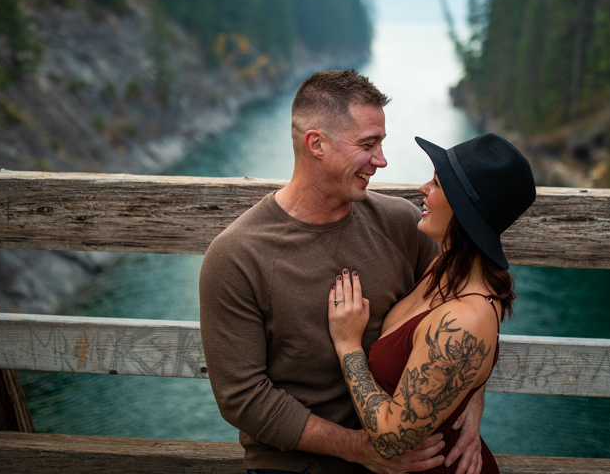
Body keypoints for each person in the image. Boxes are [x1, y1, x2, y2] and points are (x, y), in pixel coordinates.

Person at [199, 70, 486, 474]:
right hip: (294, 465)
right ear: (316, 143)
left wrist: (470, 406)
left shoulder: (403, 224)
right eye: (368, 145)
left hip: (409, 455)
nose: (382, 160)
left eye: (381, 143)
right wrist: (360, 449)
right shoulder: (236, 256)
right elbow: (242, 397)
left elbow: (471, 310)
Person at [328, 133, 537, 474]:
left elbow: (390, 441)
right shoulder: (446, 266)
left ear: (464, 209)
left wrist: (348, 345)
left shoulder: (466, 318)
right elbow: (463, 360)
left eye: (438, 184)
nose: (423, 188)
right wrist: (469, 394)